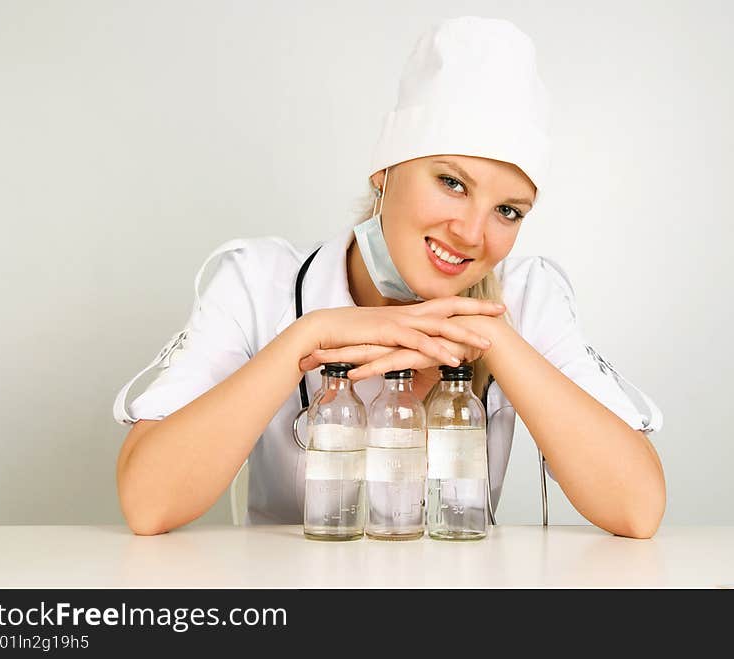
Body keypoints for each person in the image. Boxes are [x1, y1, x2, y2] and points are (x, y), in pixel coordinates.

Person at [112, 16, 665, 539]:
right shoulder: (257, 282)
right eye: (452, 183)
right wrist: (309, 337)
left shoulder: (527, 296)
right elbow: (149, 502)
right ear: (384, 171)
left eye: (508, 211)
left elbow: (637, 510)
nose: (472, 233)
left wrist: (490, 337)